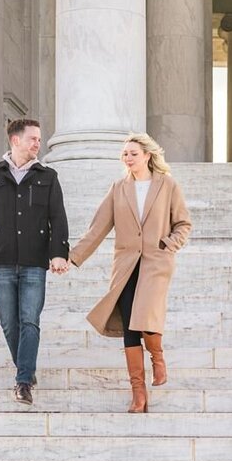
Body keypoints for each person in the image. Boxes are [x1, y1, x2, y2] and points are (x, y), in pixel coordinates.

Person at [57, 133, 192, 414]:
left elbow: (183, 223)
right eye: (125, 154)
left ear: (147, 155)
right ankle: (138, 393)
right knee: (130, 325)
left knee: (147, 316)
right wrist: (72, 257)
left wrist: (169, 244)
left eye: (133, 153)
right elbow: (97, 228)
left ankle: (157, 357)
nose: (128, 158)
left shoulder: (167, 185)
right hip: (126, 264)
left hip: (156, 262)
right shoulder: (119, 188)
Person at [0, 118, 69, 408]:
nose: (38, 143)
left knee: (29, 320)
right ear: (15, 140)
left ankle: (23, 380)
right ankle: (26, 367)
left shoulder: (48, 177)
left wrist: (59, 253)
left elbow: (58, 219)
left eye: (38, 138)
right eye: (32, 138)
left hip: (35, 262)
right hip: (1, 261)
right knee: (8, 323)